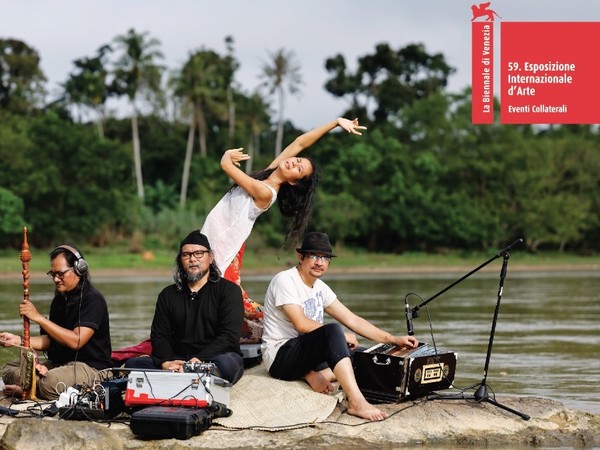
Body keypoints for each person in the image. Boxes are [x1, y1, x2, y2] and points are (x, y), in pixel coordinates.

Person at [201, 117, 366, 342]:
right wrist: (335, 123)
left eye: (298, 169)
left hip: (223, 253)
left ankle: (319, 333)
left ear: (293, 182)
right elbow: (299, 142)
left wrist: (226, 157)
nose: (293, 163)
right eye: (296, 161)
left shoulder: (266, 193)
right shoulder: (267, 174)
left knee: (237, 308)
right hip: (213, 245)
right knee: (222, 306)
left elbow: (225, 166)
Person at [261, 232, 419, 421]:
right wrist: (341, 335)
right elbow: (301, 324)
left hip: (306, 357)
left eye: (325, 258)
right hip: (281, 357)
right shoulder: (285, 280)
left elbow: (353, 320)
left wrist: (392, 339)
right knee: (334, 331)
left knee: (362, 356)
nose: (320, 262)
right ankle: (356, 402)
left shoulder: (320, 287)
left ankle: (312, 374)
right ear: (300, 257)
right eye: (314, 256)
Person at [124, 230, 244, 384]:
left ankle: (192, 373)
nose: (192, 259)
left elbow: (229, 336)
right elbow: (160, 334)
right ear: (181, 259)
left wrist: (198, 360)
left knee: (228, 365)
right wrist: (165, 362)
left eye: (199, 253)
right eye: (186, 255)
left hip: (215, 357)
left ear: (210, 257)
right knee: (133, 365)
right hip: (178, 358)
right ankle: (181, 373)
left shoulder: (229, 291)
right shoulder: (167, 295)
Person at [0, 245, 112, 400]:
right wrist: (18, 340)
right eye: (53, 274)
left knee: (50, 381)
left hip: (90, 368)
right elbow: (50, 340)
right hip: (61, 365)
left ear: (79, 269)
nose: (56, 279)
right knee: (9, 369)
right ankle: (33, 384)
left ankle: (30, 388)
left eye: (60, 274)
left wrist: (38, 318)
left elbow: (76, 341)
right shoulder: (59, 300)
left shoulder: (93, 300)